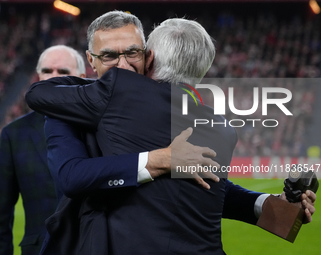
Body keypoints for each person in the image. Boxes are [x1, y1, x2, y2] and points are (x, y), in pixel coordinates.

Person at [26, 13, 316, 255]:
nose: (123, 66)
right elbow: (71, 177)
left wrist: (272, 206)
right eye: (110, 56)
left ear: (148, 57)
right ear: (91, 60)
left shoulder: (140, 100)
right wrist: (156, 160)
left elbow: (202, 183)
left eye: (132, 53)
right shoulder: (221, 128)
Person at [0, 45, 86, 255]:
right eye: (47, 71)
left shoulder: (100, 127)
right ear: (38, 76)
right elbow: (0, 216)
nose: (53, 77)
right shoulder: (14, 134)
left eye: (63, 72)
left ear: (82, 76)